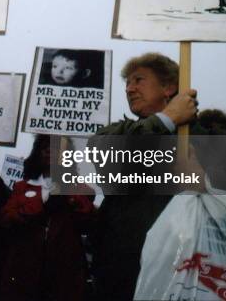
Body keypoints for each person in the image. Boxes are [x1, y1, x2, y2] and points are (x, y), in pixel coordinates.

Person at [86, 52, 200, 300]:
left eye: (138, 80)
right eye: (127, 83)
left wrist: (202, 182)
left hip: (184, 267)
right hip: (124, 266)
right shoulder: (116, 132)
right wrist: (168, 118)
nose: (129, 88)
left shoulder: (202, 136)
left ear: (168, 87)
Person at [0, 134, 97, 301]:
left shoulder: (79, 187)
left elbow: (90, 221)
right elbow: (6, 217)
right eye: (45, 149)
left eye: (56, 149)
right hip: (25, 270)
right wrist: (39, 205)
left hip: (64, 273)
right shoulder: (22, 186)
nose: (49, 152)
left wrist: (69, 194)